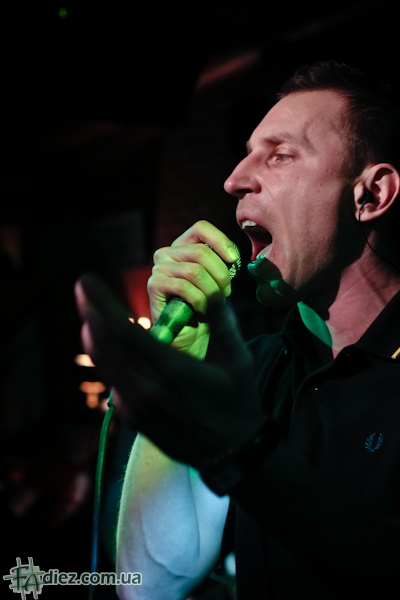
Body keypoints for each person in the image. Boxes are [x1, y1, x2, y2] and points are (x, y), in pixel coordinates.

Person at [75, 61, 400, 599]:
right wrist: (184, 359)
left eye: (280, 154)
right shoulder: (251, 368)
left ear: (371, 195)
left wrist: (245, 454)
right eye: (247, 153)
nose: (234, 180)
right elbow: (152, 584)